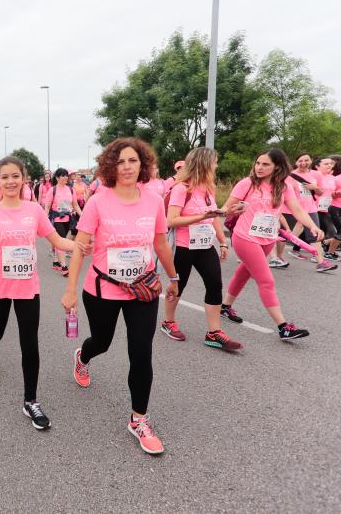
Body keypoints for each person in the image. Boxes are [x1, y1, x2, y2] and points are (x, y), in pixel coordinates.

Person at [61, 137, 178, 456]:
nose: (127, 167)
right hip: (102, 290)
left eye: (133, 161)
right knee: (102, 342)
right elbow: (81, 249)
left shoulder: (154, 199)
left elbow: (161, 244)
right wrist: (70, 289)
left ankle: (139, 419)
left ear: (143, 165)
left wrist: (173, 276)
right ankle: (82, 358)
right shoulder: (98, 201)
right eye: (121, 161)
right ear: (111, 166)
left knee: (141, 352)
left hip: (143, 288)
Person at [0, 156, 77, 431]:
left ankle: (30, 400)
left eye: (15, 176)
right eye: (5, 177)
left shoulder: (33, 210)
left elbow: (56, 240)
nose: (11, 181)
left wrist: (79, 247)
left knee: (29, 343)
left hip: (27, 287)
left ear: (24, 179)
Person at [219, 149, 324, 340]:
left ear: (277, 166)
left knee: (244, 272)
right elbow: (225, 209)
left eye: (265, 164)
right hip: (245, 237)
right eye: (258, 163)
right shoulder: (247, 183)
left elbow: (297, 209)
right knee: (266, 281)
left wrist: (312, 226)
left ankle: (224, 307)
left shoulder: (284, 186)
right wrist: (232, 210)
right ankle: (283, 327)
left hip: (268, 238)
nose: (259, 167)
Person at [160, 148, 242, 350]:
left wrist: (222, 240)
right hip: (183, 246)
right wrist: (201, 217)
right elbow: (171, 220)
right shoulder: (182, 188)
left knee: (215, 284)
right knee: (179, 286)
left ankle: (213, 332)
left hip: (205, 245)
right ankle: (168, 322)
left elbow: (213, 216)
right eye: (214, 162)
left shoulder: (208, 188)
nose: (216, 166)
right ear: (204, 164)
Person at [43, 168, 82, 276]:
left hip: (68, 219)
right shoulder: (53, 190)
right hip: (57, 218)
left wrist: (82, 216)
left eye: (66, 175)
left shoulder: (71, 190)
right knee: (61, 241)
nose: (65, 177)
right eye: (63, 175)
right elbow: (47, 206)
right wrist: (45, 218)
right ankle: (64, 266)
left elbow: (75, 205)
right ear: (57, 178)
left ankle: (56, 262)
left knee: (62, 240)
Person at [313, 157, 340, 267]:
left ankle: (322, 251)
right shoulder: (315, 175)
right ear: (317, 166)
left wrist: (336, 193)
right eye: (326, 164)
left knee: (326, 231)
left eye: (330, 164)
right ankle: (318, 255)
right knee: (317, 231)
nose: (329, 165)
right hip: (315, 207)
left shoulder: (332, 178)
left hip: (326, 207)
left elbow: (333, 193)